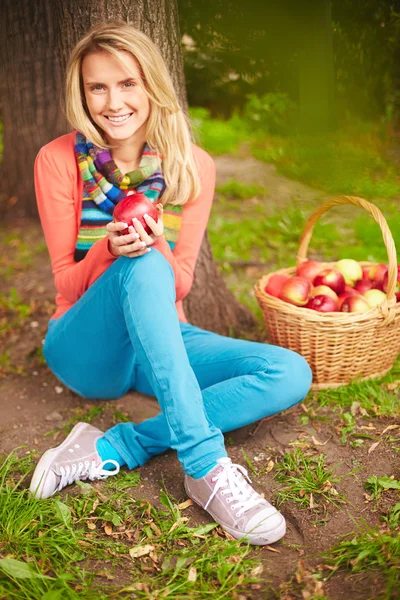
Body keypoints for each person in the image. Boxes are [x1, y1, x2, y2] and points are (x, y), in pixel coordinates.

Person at [30, 21, 312, 546]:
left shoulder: (192, 165)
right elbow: (67, 285)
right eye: (98, 86)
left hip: (160, 337)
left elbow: (180, 283)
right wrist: (110, 251)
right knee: (139, 265)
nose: (113, 102)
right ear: (82, 92)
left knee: (288, 371)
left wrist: (153, 242)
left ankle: (120, 446)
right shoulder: (57, 160)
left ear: (152, 85)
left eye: (127, 83)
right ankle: (205, 466)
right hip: (86, 349)